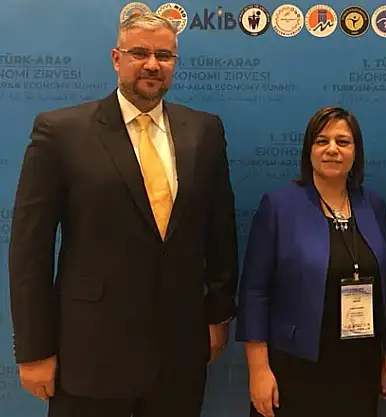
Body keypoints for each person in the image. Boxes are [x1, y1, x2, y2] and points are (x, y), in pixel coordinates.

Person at [7, 13, 238, 417]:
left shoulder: (204, 131)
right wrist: (34, 350)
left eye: (164, 55)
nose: (152, 64)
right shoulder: (60, 132)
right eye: (139, 53)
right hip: (91, 351)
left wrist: (217, 316)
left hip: (179, 351)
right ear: (117, 59)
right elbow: (30, 251)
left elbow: (220, 231)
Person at [235, 106, 386, 417]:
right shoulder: (279, 205)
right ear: (309, 150)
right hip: (295, 364)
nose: (332, 149)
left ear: (356, 152)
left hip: (360, 365)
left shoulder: (373, 204)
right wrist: (259, 370)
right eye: (322, 141)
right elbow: (255, 291)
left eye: (343, 142)